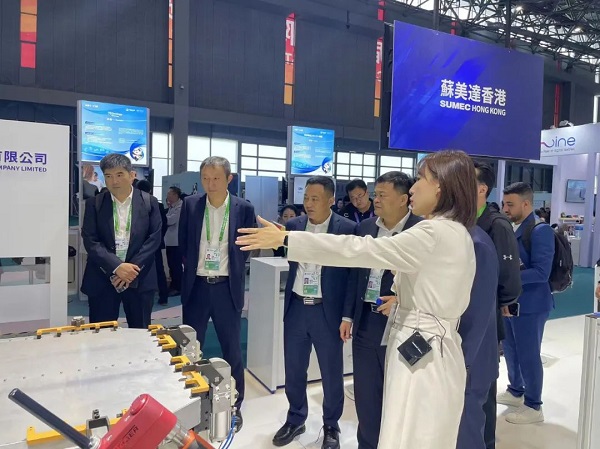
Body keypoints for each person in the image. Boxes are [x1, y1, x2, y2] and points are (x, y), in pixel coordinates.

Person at [236, 150, 478, 449]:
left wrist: (287, 239)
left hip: (423, 351)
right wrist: (404, 300)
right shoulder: (456, 232)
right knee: (419, 430)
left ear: (440, 186)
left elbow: (362, 250)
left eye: (420, 179)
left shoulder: (432, 232)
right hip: (433, 346)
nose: (413, 188)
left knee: (411, 431)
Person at [271, 176, 356, 449]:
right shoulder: (294, 226)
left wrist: (347, 316)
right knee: (294, 368)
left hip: (327, 311)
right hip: (297, 306)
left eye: (315, 199)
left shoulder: (347, 229)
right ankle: (296, 418)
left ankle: (331, 425)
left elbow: (353, 276)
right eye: (306, 197)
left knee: (331, 372)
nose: (308, 203)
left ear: (331, 200)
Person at [178, 156, 255, 432]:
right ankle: (192, 405)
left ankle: (234, 405)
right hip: (197, 287)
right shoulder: (191, 204)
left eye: (216, 178)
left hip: (226, 288)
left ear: (229, 179)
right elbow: (183, 242)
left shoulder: (244, 208)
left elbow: (249, 245)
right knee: (190, 350)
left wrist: (231, 267)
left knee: (232, 350)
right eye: (205, 178)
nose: (210, 184)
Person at [345, 171, 422, 449]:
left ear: (403, 199)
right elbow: (355, 274)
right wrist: (347, 315)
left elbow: (429, 280)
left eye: (382, 195)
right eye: (375, 194)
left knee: (400, 393)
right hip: (367, 320)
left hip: (403, 324)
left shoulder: (420, 231)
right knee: (366, 393)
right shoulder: (366, 228)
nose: (375, 200)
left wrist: (402, 300)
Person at [81, 153, 162, 328]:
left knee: (140, 332)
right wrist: (117, 267)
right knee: (101, 333)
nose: (114, 181)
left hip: (139, 278)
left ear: (132, 175)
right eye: (108, 176)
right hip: (103, 277)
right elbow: (90, 240)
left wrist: (131, 270)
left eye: (119, 174)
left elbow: (154, 239)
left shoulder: (149, 202)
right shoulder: (95, 204)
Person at [473, 162, 522, 449]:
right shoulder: (464, 218)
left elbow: (509, 277)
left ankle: (486, 442)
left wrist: (502, 302)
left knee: (483, 386)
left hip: (487, 317)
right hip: (465, 316)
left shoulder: (496, 224)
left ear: (482, 189)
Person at [500, 182, 555, 424]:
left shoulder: (540, 231)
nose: (505, 209)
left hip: (532, 305)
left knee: (529, 354)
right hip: (511, 302)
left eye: (510, 204)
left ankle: (534, 404)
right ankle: (516, 390)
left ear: (526, 204)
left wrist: (507, 277)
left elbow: (542, 272)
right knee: (511, 349)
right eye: (504, 204)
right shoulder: (512, 227)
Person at [457, 226, 499, 449]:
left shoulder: (475, 243)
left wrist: (462, 363)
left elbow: (477, 315)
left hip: (470, 360)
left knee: (466, 433)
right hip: (458, 358)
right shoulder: (458, 237)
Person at [136, 180, 169, 305]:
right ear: (150, 190)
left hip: (139, 245)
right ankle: (163, 296)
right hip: (155, 243)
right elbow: (164, 224)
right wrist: (158, 239)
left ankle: (136, 295)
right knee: (159, 270)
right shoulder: (158, 205)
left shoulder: (135, 203)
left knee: (136, 268)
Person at [165, 186, 183, 295]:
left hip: (176, 242)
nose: (167, 196)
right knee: (171, 265)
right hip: (170, 241)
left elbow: (170, 220)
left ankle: (178, 287)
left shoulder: (180, 207)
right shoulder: (172, 207)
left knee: (176, 265)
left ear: (175, 195)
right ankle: (173, 285)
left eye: (169, 194)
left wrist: (162, 217)